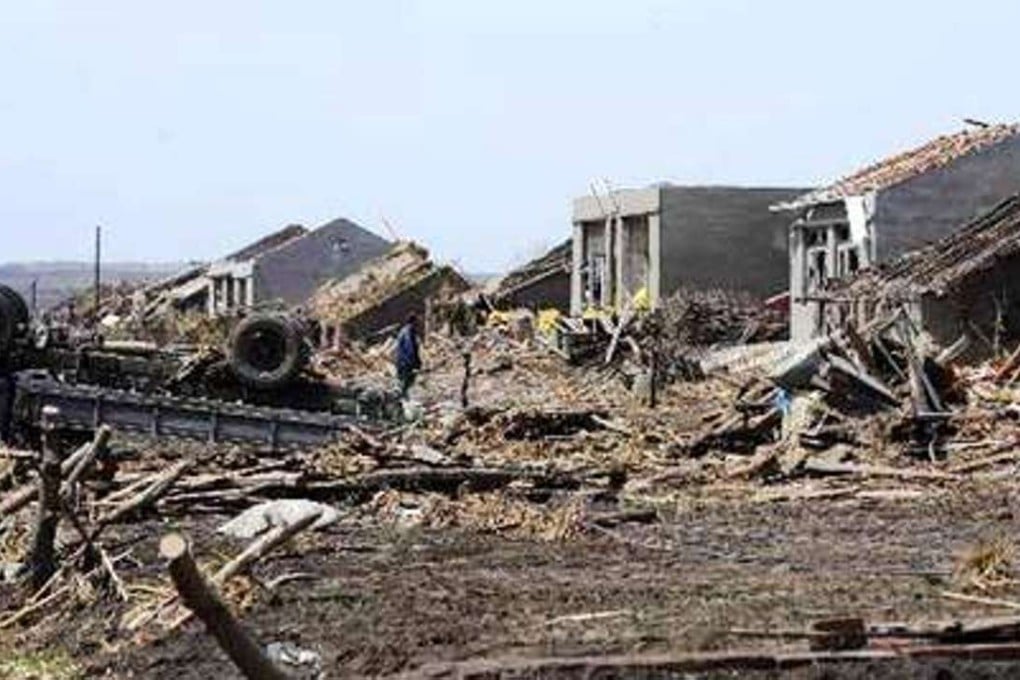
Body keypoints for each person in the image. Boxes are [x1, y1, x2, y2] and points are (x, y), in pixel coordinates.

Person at [394, 314, 422, 398]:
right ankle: (401, 398)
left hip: (404, 361)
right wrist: (413, 363)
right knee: (405, 381)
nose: (418, 325)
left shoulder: (407, 331)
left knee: (405, 382)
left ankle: (403, 398)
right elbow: (409, 348)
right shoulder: (407, 332)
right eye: (417, 322)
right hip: (405, 362)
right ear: (413, 322)